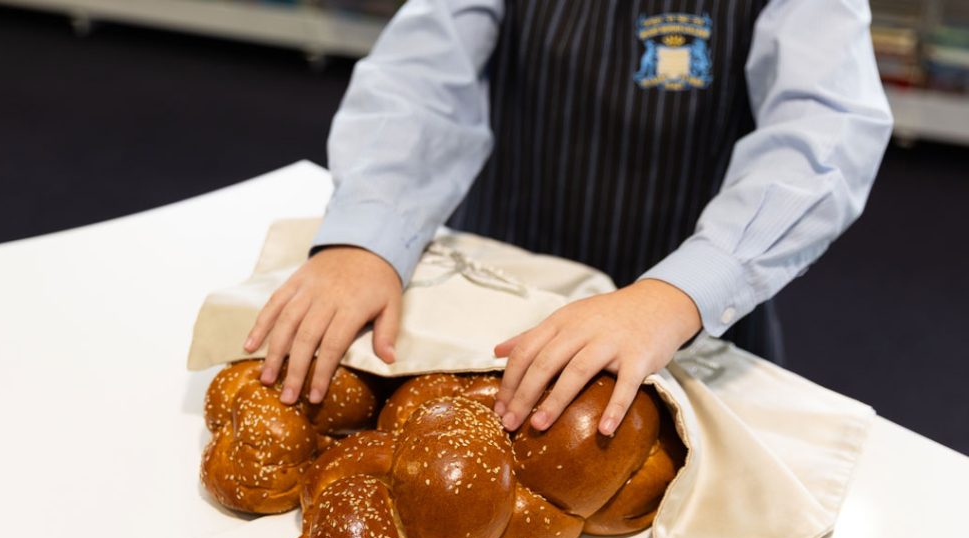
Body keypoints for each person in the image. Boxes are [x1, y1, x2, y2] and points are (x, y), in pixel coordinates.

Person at [244, 0, 892, 437]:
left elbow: (824, 135)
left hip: (691, 324)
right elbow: (420, 77)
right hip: (504, 307)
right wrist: (367, 237)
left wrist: (679, 291)